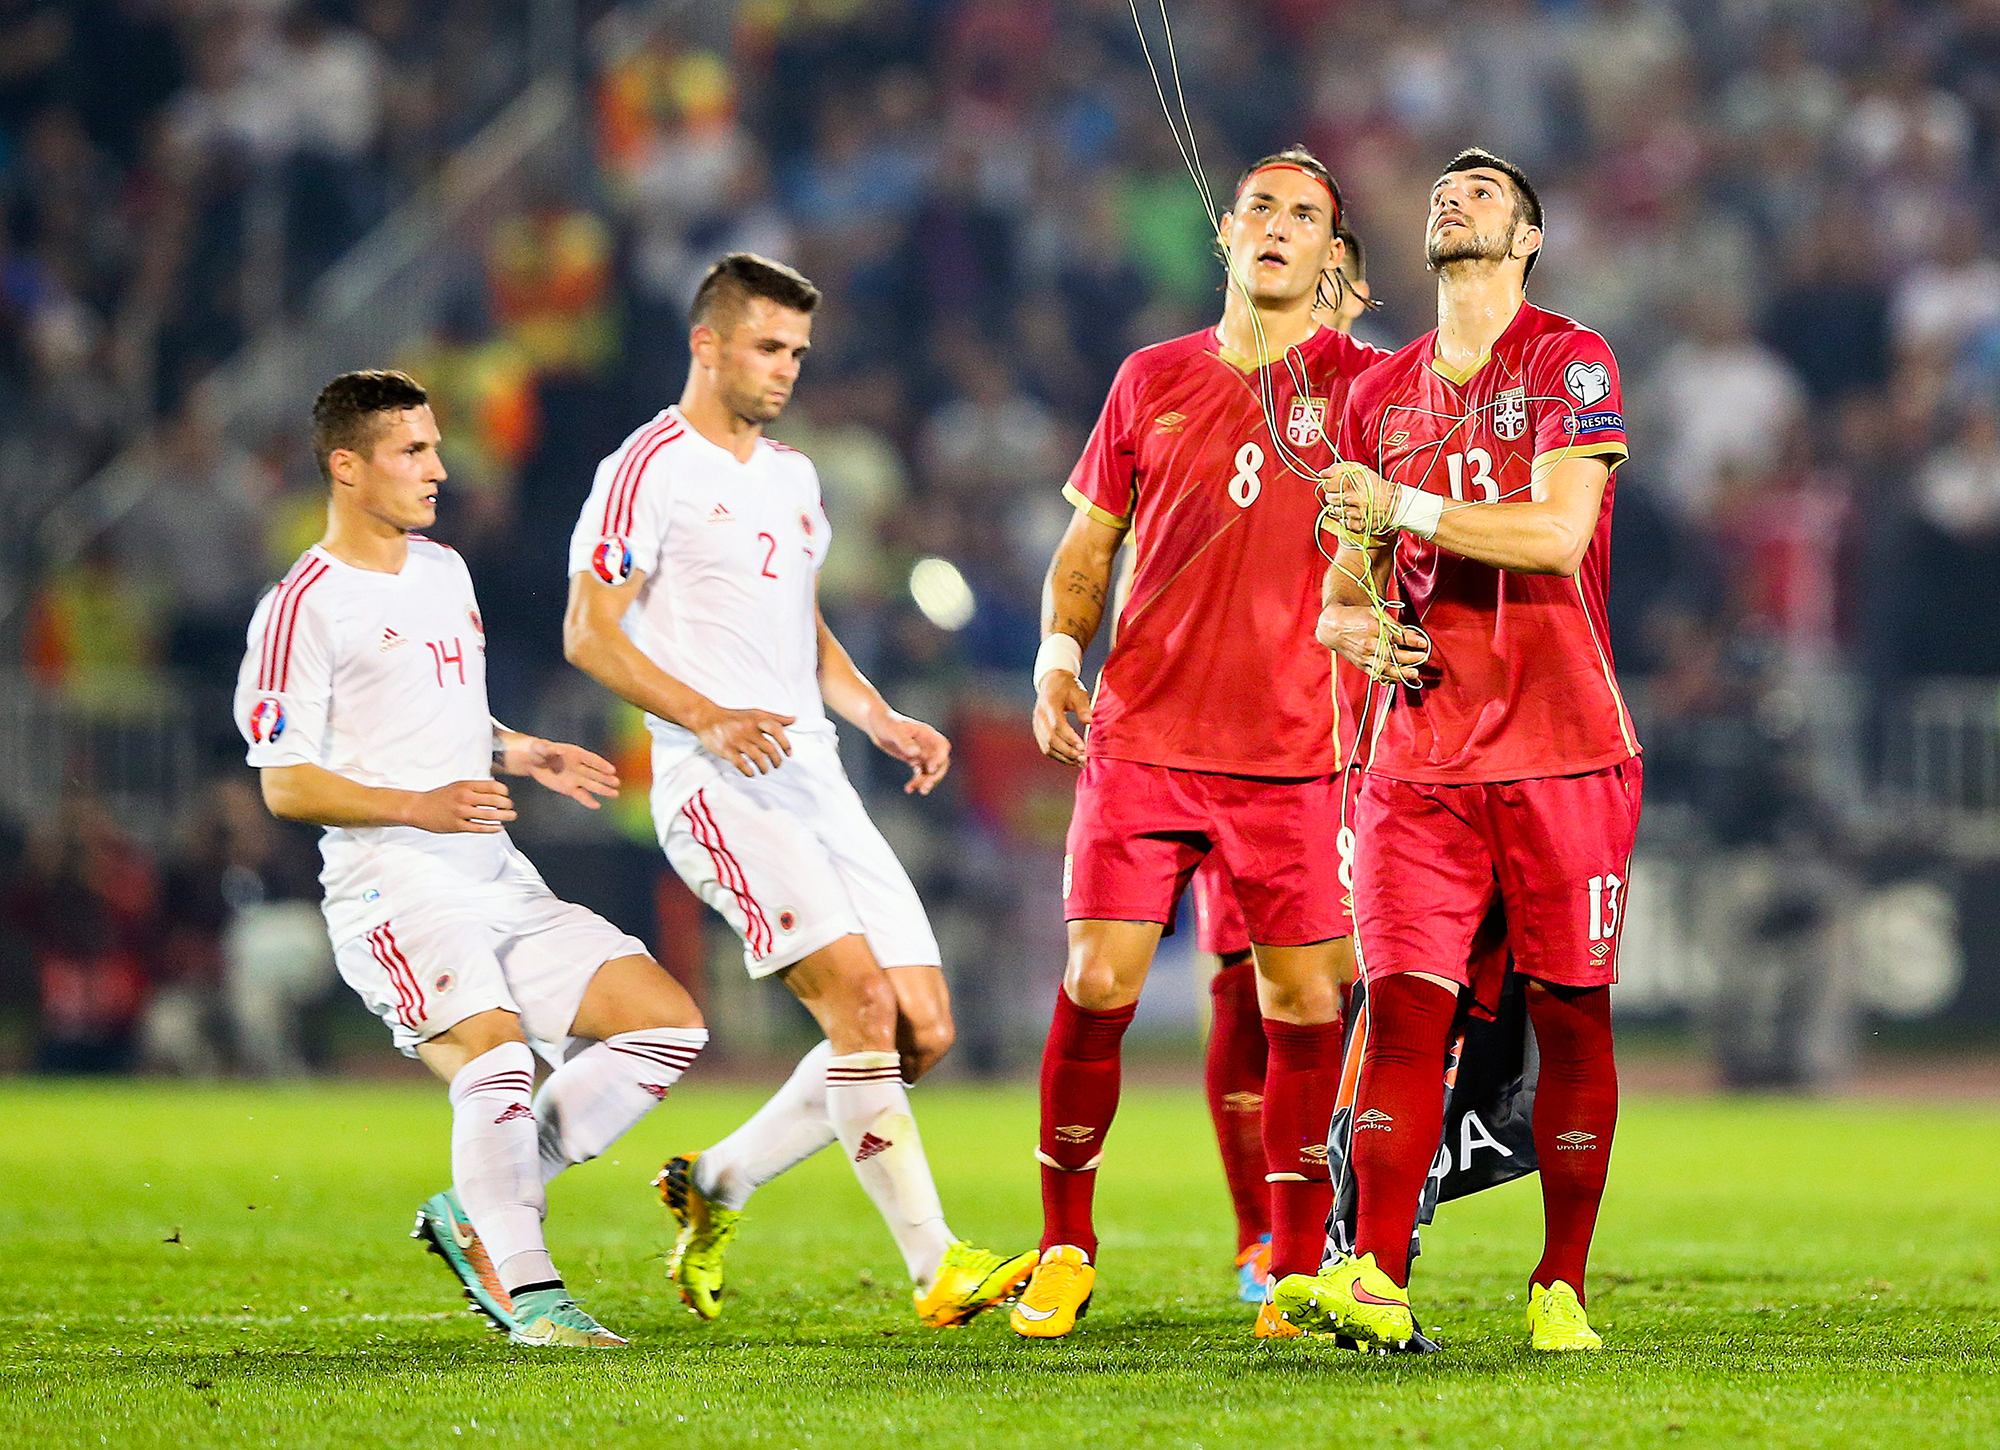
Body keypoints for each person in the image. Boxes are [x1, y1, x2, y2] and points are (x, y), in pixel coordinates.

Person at [561, 253, 1035, 1329]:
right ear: (707, 343)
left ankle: (716, 1179)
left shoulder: (792, 477)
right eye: (767, 347)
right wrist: (705, 715)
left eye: (797, 353)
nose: (784, 370)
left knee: (921, 1029)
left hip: (817, 772)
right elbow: (587, 632)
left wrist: (876, 713)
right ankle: (935, 1266)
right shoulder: (647, 468)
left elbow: (800, 626)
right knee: (861, 1006)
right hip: (716, 780)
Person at [235, 370, 710, 1349]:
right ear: (346, 467)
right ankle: (533, 1298)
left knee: (665, 1026)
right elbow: (285, 784)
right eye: (412, 451)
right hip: (392, 883)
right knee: (492, 1053)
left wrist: (516, 749)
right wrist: (421, 802)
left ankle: (479, 1207)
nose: (439, 468)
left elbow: (430, 712)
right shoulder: (303, 607)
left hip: (491, 868)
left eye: (435, 446)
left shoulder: (443, 571)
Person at [1273, 148, 1640, 1353]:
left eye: (1484, 192)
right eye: (1443, 188)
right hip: (1420, 759)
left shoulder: (1567, 358)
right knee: (1402, 1014)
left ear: (1527, 237)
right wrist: (1352, 623)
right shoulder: (1379, 395)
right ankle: (1375, 1273)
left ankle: (1560, 1282)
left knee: (1572, 1018)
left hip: (1561, 744)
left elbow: (1553, 533)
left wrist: (1405, 510)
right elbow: (1340, 588)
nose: (1454, 197)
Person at [1017, 150, 1386, 1340]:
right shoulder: (1149, 377)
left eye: (1306, 219)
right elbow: (1087, 546)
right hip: (1144, 737)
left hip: (1295, 749)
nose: (1279, 229)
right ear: (1225, 236)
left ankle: (1286, 1262)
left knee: (1298, 998)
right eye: (1261, 211)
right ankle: (1064, 1243)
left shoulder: (1371, 391)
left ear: (1332, 259)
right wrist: (1058, 659)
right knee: (1096, 980)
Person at [1193, 222, 1375, 1307]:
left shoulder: (1379, 403)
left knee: (1347, 987)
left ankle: (1334, 1216)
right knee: (1239, 987)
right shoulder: (1214, 389)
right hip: (1239, 733)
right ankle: (1260, 1233)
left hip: (1352, 732)